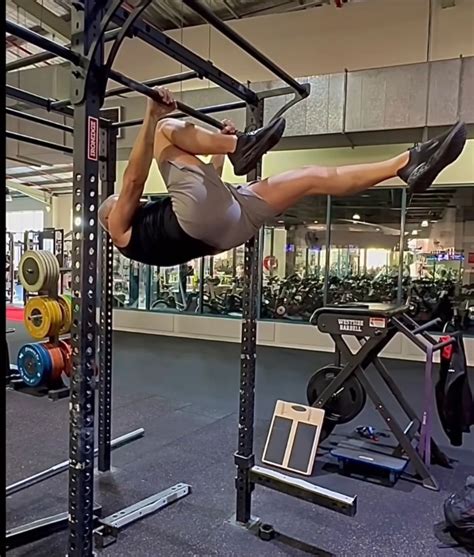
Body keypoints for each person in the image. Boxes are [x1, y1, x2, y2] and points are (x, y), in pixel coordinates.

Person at [98, 87, 467, 267]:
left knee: (310, 177)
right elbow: (132, 181)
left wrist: (219, 147)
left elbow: (211, 185)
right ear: (108, 218)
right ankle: (239, 144)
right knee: (164, 129)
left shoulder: (154, 226)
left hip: (228, 226)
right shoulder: (118, 229)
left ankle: (405, 165)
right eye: (116, 204)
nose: (129, 201)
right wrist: (150, 116)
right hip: (203, 223)